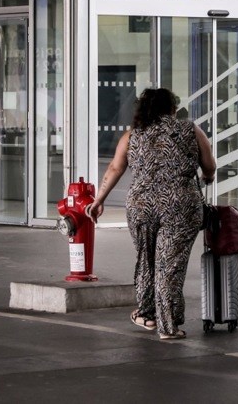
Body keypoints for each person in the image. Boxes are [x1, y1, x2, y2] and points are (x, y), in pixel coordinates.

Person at [86, 88, 216, 339]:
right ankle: (168, 326)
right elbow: (209, 166)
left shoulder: (132, 135)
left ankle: (147, 315)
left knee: (146, 259)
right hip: (180, 205)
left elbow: (115, 168)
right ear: (172, 108)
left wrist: (98, 200)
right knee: (170, 266)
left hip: (141, 206)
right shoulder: (190, 130)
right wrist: (206, 178)